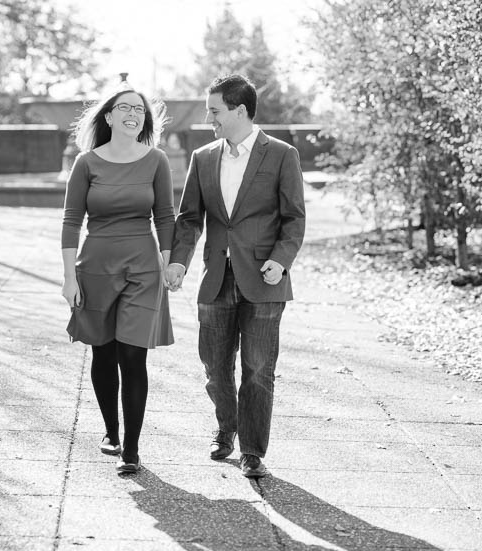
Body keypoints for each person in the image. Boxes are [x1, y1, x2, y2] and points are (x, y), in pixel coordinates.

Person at [165, 74, 305, 478]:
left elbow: (294, 218)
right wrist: (179, 261)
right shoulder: (203, 157)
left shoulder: (281, 155)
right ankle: (226, 428)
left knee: (258, 368)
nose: (209, 118)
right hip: (215, 278)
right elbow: (189, 218)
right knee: (214, 365)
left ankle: (252, 450)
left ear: (239, 111)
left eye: (214, 111)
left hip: (265, 278)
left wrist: (282, 260)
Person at [61, 85, 175, 474]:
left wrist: (168, 264)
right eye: (124, 107)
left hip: (143, 268)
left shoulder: (157, 160)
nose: (132, 114)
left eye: (139, 109)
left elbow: (165, 216)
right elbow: (71, 221)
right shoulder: (87, 163)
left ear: (145, 119)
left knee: (133, 354)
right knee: (103, 351)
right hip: (95, 267)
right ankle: (111, 430)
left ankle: (132, 448)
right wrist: (68, 278)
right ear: (108, 117)